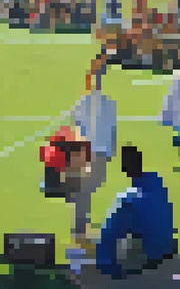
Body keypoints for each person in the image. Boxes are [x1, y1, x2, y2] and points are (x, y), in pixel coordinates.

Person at [94, 146, 177, 279]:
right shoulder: (157, 183)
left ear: (124, 169)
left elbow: (108, 236)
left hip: (149, 255)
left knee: (118, 237)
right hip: (168, 247)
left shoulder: (127, 200)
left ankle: (131, 267)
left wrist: (105, 266)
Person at [71, 62, 118, 245]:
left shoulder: (81, 103)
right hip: (98, 151)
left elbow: (76, 127)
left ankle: (81, 225)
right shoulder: (109, 104)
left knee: (85, 189)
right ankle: (80, 229)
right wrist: (111, 152)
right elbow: (112, 130)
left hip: (84, 150)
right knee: (86, 189)